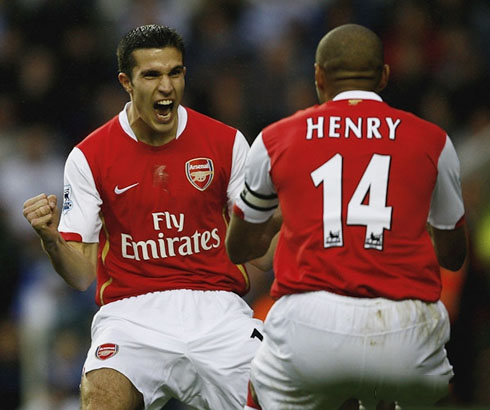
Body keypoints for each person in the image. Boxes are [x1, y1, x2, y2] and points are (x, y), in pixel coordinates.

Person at [23, 24, 264, 410]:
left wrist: (280, 213)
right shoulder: (90, 156)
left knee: (284, 393)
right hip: (131, 315)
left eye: (175, 72)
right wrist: (51, 239)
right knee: (101, 396)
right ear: (127, 82)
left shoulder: (228, 142)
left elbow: (261, 255)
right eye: (152, 75)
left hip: (219, 310)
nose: (166, 86)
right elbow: (82, 275)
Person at [226, 23, 467, 410]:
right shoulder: (433, 140)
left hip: (310, 325)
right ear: (384, 76)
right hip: (406, 328)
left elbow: (238, 247)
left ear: (318, 76)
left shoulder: (275, 138)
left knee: (260, 390)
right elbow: (453, 256)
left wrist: (282, 223)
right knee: (421, 392)